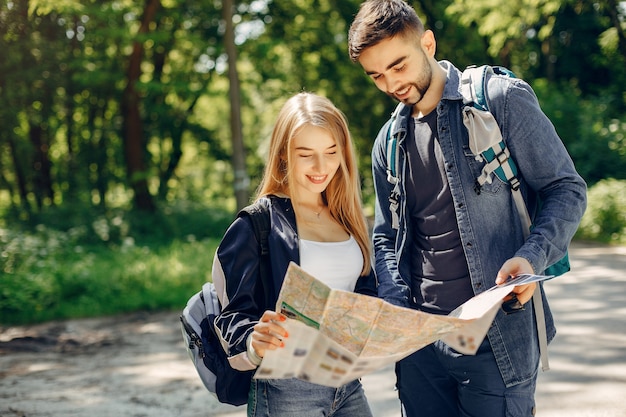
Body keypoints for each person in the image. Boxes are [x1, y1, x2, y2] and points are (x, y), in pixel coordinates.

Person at [347, 1, 587, 416]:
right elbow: (385, 234)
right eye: (377, 75)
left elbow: (566, 189)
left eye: (398, 66)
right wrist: (392, 298)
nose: (390, 84)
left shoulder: (500, 100)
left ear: (427, 42)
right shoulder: (388, 141)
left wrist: (530, 257)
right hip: (420, 349)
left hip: (497, 338)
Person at [212, 92, 377, 417]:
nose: (321, 167)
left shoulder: (347, 217)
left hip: (347, 383)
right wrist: (254, 340)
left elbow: (364, 290)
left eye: (331, 152)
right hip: (287, 389)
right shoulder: (256, 224)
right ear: (284, 155)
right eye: (306, 154)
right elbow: (230, 315)